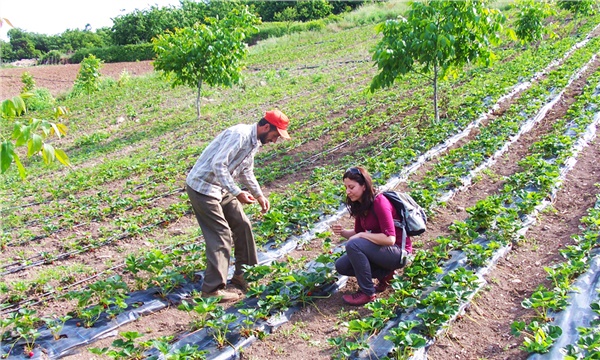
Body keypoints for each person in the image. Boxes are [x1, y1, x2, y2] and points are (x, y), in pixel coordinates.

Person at [185, 109, 291, 303]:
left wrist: (259, 194)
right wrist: (237, 192)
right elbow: (219, 165)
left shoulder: (254, 142)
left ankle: (245, 274)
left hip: (221, 188)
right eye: (275, 135)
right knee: (221, 235)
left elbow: (246, 171)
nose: (275, 141)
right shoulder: (240, 135)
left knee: (243, 224)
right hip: (204, 187)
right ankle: (212, 289)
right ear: (266, 126)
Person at [331, 166, 412, 306]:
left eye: (351, 187)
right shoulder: (361, 204)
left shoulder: (380, 202)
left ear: (363, 186)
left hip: (398, 252)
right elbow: (358, 232)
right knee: (341, 265)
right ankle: (385, 275)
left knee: (354, 245)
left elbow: (389, 239)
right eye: (346, 187)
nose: (347, 192)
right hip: (382, 251)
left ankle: (367, 293)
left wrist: (362, 235)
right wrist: (343, 232)